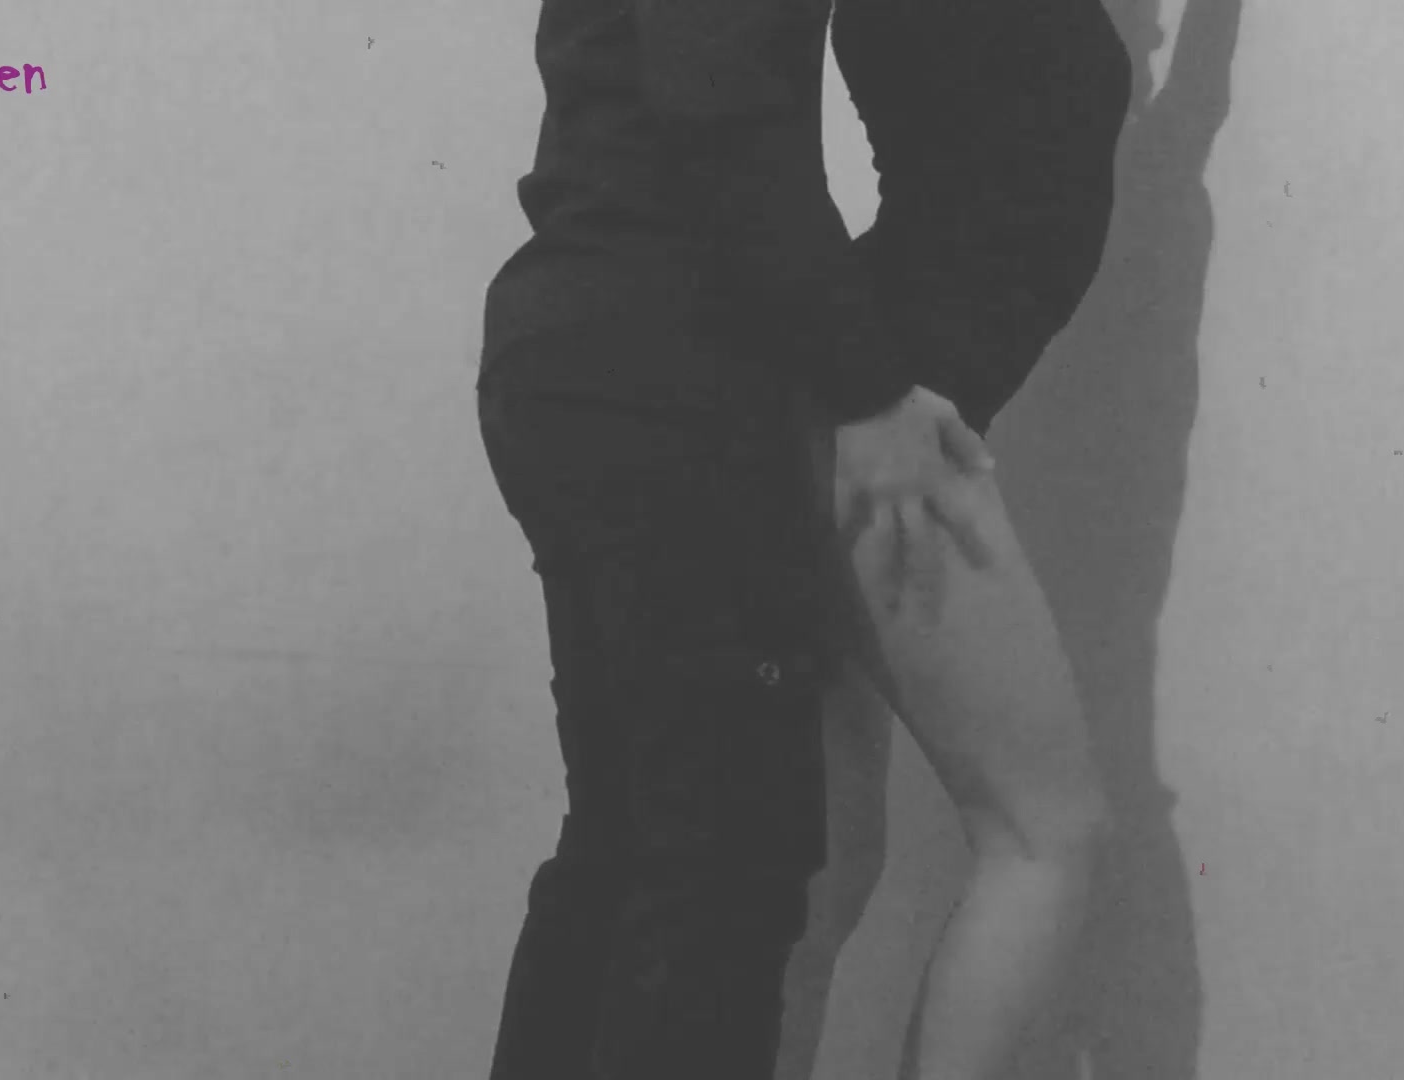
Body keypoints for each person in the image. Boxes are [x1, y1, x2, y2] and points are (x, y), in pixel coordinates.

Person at [474, 0, 1129, 1078]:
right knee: (1034, 834)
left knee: (758, 868)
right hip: (808, 389)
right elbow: (716, 103)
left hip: (690, 360)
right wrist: (867, 394)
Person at [777, 1, 1135, 1077]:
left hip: (848, 409)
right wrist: (868, 399)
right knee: (1045, 836)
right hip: (880, 421)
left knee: (820, 872)